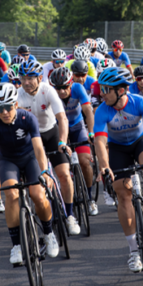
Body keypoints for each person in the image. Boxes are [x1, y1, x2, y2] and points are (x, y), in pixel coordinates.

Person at [94, 67, 143, 273]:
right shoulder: (102, 110)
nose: (102, 93)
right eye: (101, 88)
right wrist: (105, 167)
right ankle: (134, 252)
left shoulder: (140, 102)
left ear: (121, 91)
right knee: (122, 193)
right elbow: (99, 142)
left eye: (106, 89)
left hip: (139, 142)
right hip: (117, 149)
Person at [0, 83, 59, 264]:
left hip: (30, 158)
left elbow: (39, 149)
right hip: (8, 161)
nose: (4, 112)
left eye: (8, 107)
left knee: (38, 195)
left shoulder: (28, 118)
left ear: (15, 104)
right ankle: (16, 245)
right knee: (10, 194)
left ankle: (49, 233)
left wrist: (45, 172)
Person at [17, 58, 80, 236]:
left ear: (39, 78)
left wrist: (62, 141)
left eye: (30, 78)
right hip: (31, 138)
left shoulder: (48, 90)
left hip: (51, 133)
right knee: (39, 181)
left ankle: (70, 215)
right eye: (23, 78)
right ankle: (47, 218)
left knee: (65, 175)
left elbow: (62, 118)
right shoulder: (18, 95)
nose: (26, 82)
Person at [50, 67, 98, 216]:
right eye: (58, 88)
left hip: (77, 127)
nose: (61, 91)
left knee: (85, 162)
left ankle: (89, 198)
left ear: (71, 83)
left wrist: (91, 132)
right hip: (59, 129)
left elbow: (88, 112)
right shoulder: (51, 93)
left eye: (65, 87)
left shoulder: (78, 88)